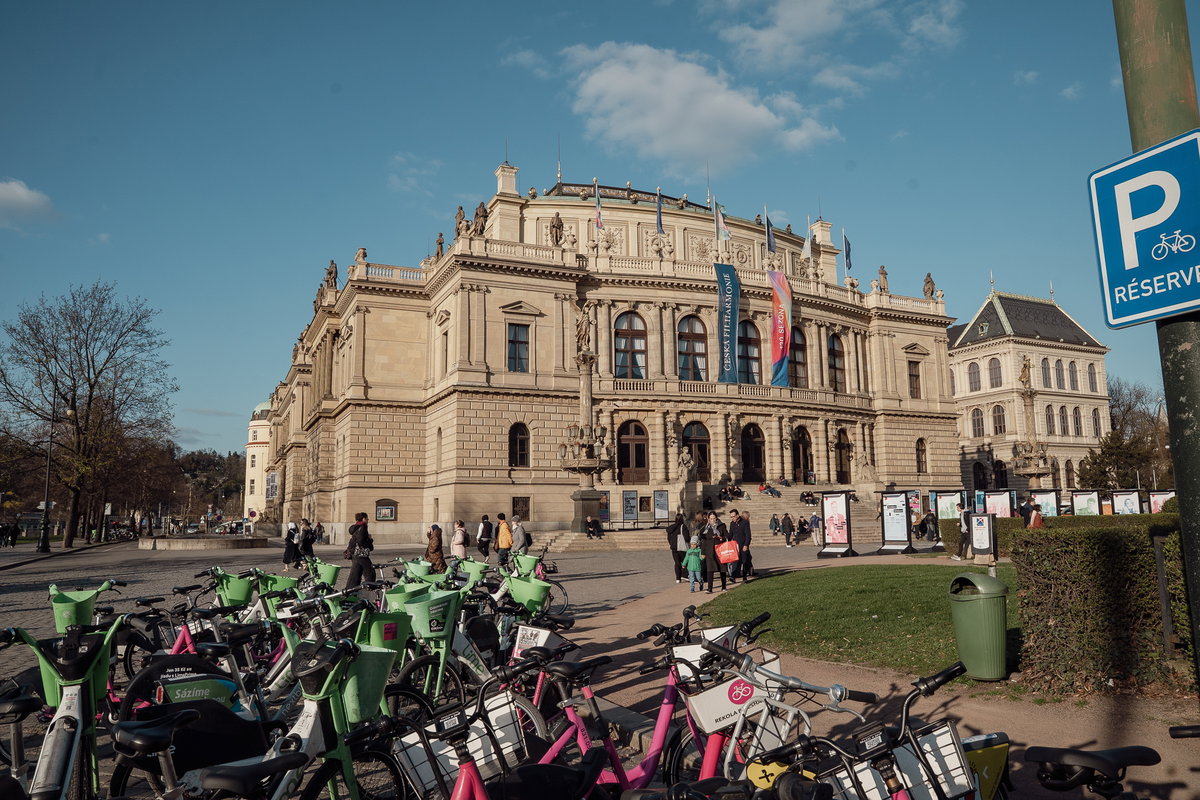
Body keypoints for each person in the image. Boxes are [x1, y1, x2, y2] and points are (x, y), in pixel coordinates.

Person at [700, 511, 728, 594]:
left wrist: (720, 538)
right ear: (708, 519)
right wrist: (703, 552)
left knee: (722, 568)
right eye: (710, 518)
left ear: (716, 518)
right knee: (710, 569)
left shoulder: (721, 526)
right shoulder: (706, 528)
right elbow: (704, 541)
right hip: (709, 551)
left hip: (719, 550)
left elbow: (727, 536)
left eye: (714, 518)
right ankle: (710, 588)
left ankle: (723, 586)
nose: (712, 520)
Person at [345, 512, 375, 589]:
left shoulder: (356, 527)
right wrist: (369, 540)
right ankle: (369, 588)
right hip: (360, 554)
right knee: (370, 572)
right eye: (367, 518)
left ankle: (350, 591)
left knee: (355, 574)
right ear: (363, 519)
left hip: (354, 552)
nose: (368, 519)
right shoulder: (363, 527)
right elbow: (361, 541)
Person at [727, 508, 752, 583]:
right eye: (731, 517)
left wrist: (746, 545)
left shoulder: (745, 523)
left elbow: (748, 535)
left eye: (733, 516)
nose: (732, 518)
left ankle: (744, 577)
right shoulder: (732, 523)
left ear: (737, 515)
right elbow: (730, 535)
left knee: (744, 561)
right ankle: (733, 576)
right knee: (735, 562)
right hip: (735, 546)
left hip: (743, 545)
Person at [666, 513, 689, 584]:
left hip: (674, 547)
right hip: (681, 547)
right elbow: (686, 537)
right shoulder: (683, 526)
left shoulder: (671, 528)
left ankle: (678, 578)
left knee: (677, 562)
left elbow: (669, 538)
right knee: (685, 561)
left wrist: (672, 544)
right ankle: (684, 575)